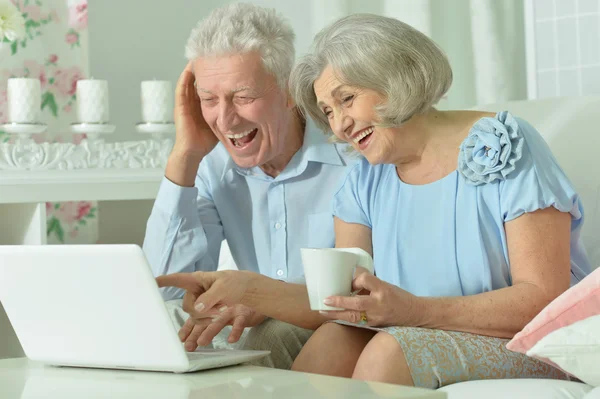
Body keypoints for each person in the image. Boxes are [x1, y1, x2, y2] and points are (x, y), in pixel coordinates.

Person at [157, 13, 591, 389]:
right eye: (327, 111)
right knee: (335, 340)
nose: (340, 125)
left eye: (347, 99)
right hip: (415, 330)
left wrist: (413, 311)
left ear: (395, 78)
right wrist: (248, 291)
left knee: (390, 351)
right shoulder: (365, 175)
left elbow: (542, 299)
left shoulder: (503, 144)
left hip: (531, 341)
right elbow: (340, 304)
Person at [142, 3, 354, 369]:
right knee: (154, 325)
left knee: (268, 336)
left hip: (329, 321)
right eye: (209, 99)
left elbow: (365, 285)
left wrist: (261, 297)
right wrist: (184, 156)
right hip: (246, 322)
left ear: (290, 90)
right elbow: (167, 291)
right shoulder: (211, 167)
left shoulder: (352, 157)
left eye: (244, 97)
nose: (225, 119)